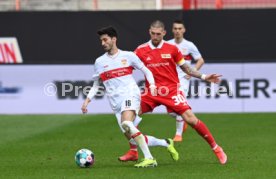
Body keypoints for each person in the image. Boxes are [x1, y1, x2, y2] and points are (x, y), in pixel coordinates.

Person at [119, 20, 227, 165]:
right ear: (149, 32)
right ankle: (134, 151)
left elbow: (186, 68)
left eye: (158, 34)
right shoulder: (140, 50)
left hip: (171, 91)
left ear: (164, 33)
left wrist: (204, 76)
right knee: (126, 120)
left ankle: (216, 148)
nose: (155, 36)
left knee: (190, 119)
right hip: (151, 92)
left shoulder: (172, 49)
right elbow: (127, 69)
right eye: (153, 33)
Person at [81, 26, 178, 168]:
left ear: (114, 39)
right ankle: (166, 142)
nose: (103, 43)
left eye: (105, 39)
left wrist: (152, 86)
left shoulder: (128, 56)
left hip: (131, 95)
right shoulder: (99, 62)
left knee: (127, 124)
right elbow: (96, 84)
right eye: (101, 40)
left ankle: (150, 159)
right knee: (133, 137)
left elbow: (147, 71)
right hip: (115, 104)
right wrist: (87, 101)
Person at [167, 20, 205, 142]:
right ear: (172, 30)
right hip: (170, 79)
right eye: (175, 28)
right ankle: (184, 119)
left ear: (184, 30)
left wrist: (192, 71)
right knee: (171, 111)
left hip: (183, 79)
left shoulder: (189, 45)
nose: (177, 31)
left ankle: (178, 135)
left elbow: (200, 60)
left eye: (180, 28)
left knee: (179, 106)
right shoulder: (167, 44)